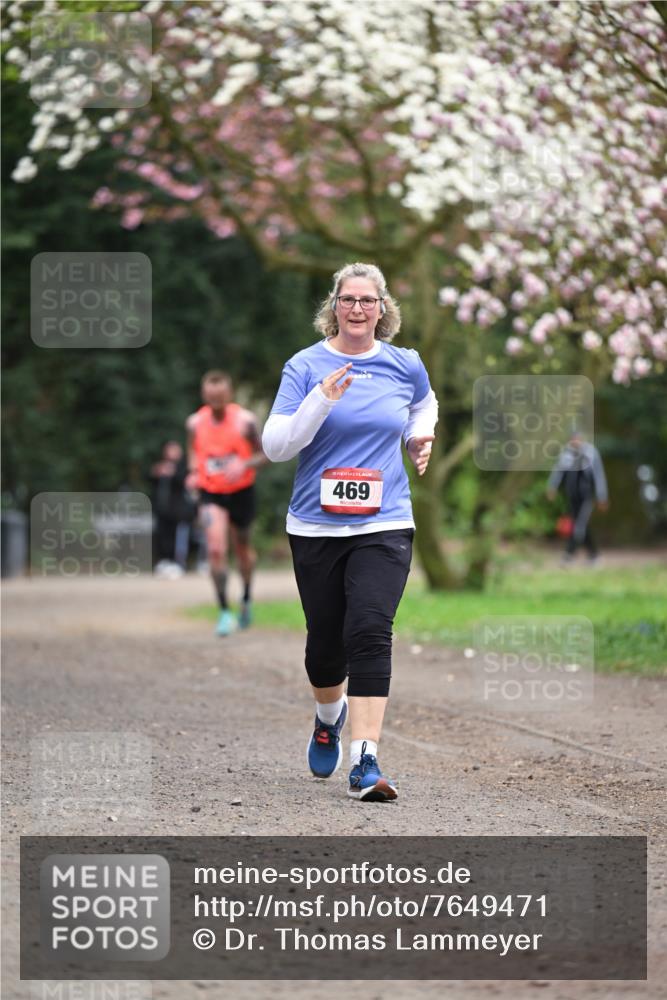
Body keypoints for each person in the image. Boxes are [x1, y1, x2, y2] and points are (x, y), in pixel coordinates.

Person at [262, 262, 438, 802]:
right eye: (348, 299)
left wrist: (419, 435)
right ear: (333, 307)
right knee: (324, 649)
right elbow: (276, 446)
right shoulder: (305, 366)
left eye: (367, 300)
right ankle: (327, 717)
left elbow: (423, 403)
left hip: (385, 522)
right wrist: (322, 400)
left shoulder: (403, 364)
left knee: (369, 629)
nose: (357, 308)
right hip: (315, 525)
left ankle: (365, 759)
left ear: (382, 309)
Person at [186, 371, 266, 635]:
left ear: (228, 395)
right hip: (211, 493)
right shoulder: (195, 423)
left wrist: (243, 463)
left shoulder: (245, 421)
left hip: (242, 490)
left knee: (242, 548)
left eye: (220, 398)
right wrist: (193, 473)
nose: (216, 403)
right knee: (217, 548)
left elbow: (265, 453)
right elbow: (192, 452)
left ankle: (245, 598)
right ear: (204, 396)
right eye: (211, 398)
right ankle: (223, 611)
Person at [547, 431, 609, 564]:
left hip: (586, 497)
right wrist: (552, 487)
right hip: (572, 497)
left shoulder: (591, 453)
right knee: (580, 526)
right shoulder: (566, 454)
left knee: (578, 526)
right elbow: (558, 472)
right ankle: (594, 555)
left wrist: (601, 496)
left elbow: (599, 475)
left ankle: (569, 555)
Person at [150, 440, 194, 578]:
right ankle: (164, 562)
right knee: (162, 536)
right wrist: (157, 472)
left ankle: (178, 563)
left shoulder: (185, 466)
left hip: (179, 511)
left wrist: (172, 473)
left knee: (178, 538)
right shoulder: (161, 466)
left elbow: (184, 482)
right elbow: (152, 480)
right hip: (162, 509)